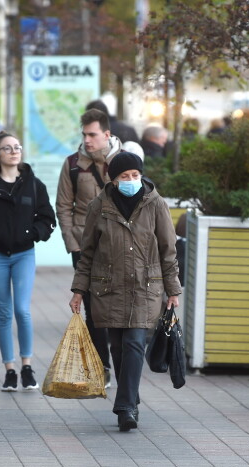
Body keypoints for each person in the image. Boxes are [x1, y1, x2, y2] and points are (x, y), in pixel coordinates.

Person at [68, 152, 181, 432]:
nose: (131, 180)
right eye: (124, 176)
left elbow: (169, 249)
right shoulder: (99, 206)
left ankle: (125, 407)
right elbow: (88, 252)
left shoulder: (156, 204)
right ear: (113, 179)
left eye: (135, 175)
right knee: (117, 347)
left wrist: (173, 288)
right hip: (109, 287)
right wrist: (79, 289)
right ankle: (131, 398)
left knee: (134, 343)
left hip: (146, 287)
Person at [0, 131, 56, 391]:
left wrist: (33, 233)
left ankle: (27, 366)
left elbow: (47, 218)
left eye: (17, 146)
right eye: (8, 148)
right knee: (4, 313)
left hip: (24, 254)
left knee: (22, 310)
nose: (14, 151)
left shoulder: (33, 184)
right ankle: (10, 370)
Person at [55, 108, 123, 389]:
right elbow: (63, 206)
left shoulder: (124, 162)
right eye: (84, 134)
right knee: (93, 308)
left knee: (117, 305)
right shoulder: (73, 164)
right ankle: (101, 366)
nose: (88, 140)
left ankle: (121, 363)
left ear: (107, 134)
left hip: (119, 246)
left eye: (93, 134)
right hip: (85, 247)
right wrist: (73, 244)